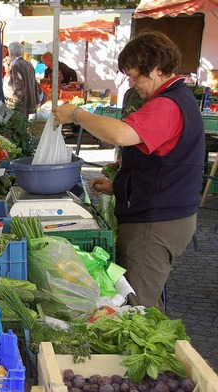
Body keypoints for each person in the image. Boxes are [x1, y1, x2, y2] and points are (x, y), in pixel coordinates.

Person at [53, 30, 205, 309]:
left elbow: (123, 135)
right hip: (163, 214)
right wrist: (121, 184)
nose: (133, 85)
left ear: (159, 69)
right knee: (143, 292)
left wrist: (77, 114)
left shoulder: (167, 105)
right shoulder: (175, 99)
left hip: (155, 223)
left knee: (139, 307)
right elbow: (162, 162)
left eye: (137, 77)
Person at [8, 41, 43, 116]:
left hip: (22, 106)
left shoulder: (17, 65)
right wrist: (37, 101)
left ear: (10, 53)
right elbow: (35, 84)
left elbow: (19, 89)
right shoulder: (28, 64)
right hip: (30, 104)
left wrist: (11, 105)